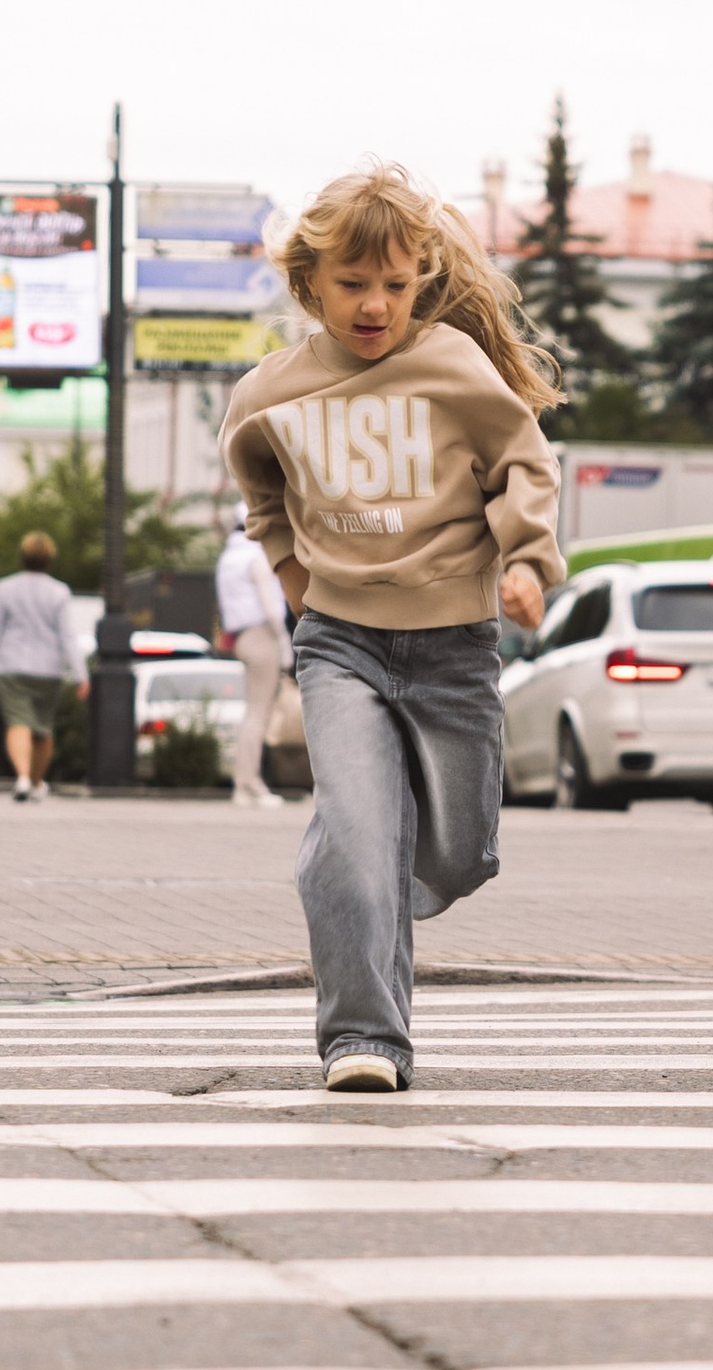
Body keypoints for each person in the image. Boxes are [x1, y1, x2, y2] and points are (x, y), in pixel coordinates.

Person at [223, 165, 562, 1093]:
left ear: (420, 282)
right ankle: (362, 1036)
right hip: (341, 644)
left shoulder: (452, 364)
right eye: (352, 284)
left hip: (454, 645)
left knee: (458, 852)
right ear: (310, 284)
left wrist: (526, 560)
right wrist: (293, 577)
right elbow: (261, 495)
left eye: (395, 285)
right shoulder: (270, 394)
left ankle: (355, 876)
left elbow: (523, 463)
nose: (375, 305)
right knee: (357, 838)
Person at [0, 530, 93, 801]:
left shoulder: (5, 588)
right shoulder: (59, 592)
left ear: (22, 557)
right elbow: (68, 636)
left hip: (12, 666)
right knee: (43, 729)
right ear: (50, 559)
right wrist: (81, 676)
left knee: (18, 723)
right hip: (49, 669)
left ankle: (23, 778)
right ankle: (37, 782)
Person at [213, 499, 292, 810]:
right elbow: (273, 609)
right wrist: (285, 644)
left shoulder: (228, 558)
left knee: (252, 712)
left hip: (242, 637)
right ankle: (250, 784)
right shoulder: (255, 557)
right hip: (261, 636)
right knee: (259, 713)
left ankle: (245, 784)